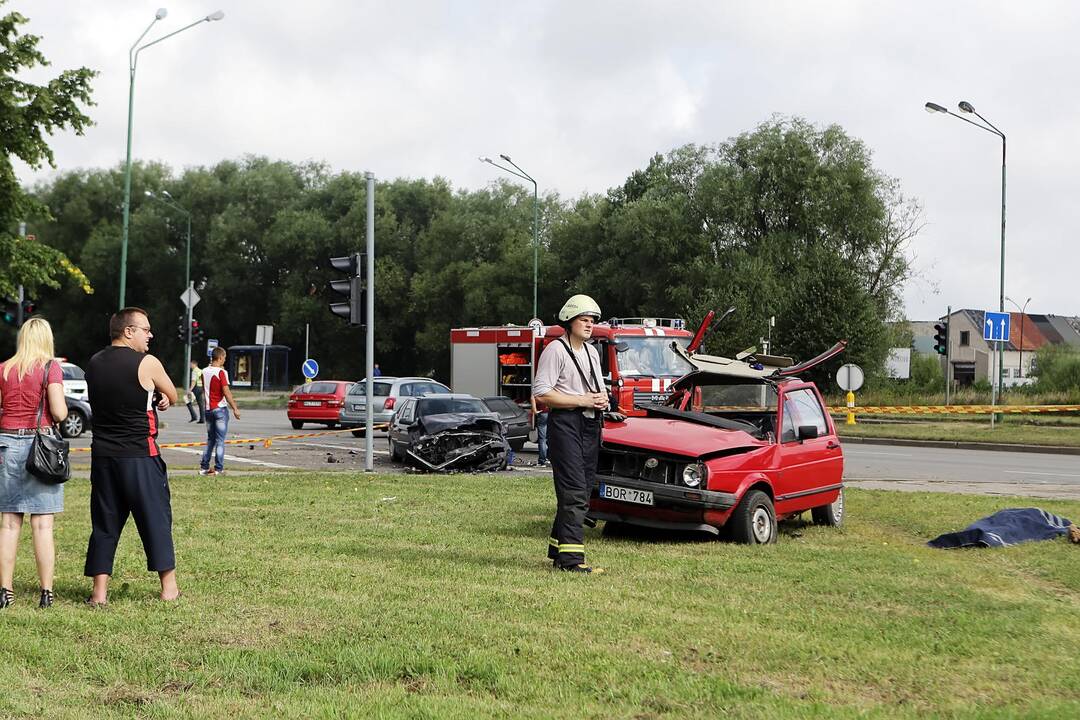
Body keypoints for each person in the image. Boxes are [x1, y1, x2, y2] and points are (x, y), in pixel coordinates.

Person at [84, 307, 180, 605]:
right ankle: (169, 589)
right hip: (140, 455)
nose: (150, 335)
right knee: (155, 519)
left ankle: (99, 594)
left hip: (103, 458)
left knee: (104, 524)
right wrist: (162, 397)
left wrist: (151, 396)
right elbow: (173, 395)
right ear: (128, 331)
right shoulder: (147, 363)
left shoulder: (94, 363)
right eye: (145, 329)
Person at [533, 294, 624, 574]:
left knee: (582, 491)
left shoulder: (591, 352)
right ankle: (572, 561)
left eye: (592, 321)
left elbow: (596, 388)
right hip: (566, 425)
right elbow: (542, 392)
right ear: (569, 322)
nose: (589, 325)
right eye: (584, 320)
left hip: (589, 426)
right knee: (573, 491)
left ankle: (558, 551)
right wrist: (584, 400)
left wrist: (603, 400)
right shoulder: (556, 351)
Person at [0, 318, 69, 609]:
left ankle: (4, 590)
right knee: (42, 525)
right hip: (39, 448)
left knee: (8, 524)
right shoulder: (50, 368)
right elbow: (60, 411)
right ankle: (46, 592)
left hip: (6, 445)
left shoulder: (4, 368)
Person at [199, 346, 240, 477]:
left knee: (210, 439)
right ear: (220, 357)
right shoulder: (222, 373)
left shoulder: (204, 371)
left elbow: (204, 390)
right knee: (220, 441)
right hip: (220, 410)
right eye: (225, 358)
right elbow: (226, 392)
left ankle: (204, 468)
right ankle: (218, 469)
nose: (225, 360)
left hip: (208, 410)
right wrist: (235, 408)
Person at [530, 395, 549, 467]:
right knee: (550, 437)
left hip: (542, 412)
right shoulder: (550, 387)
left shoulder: (538, 387)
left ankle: (542, 461)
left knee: (542, 439)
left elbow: (532, 398)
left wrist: (535, 410)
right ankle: (549, 458)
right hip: (551, 413)